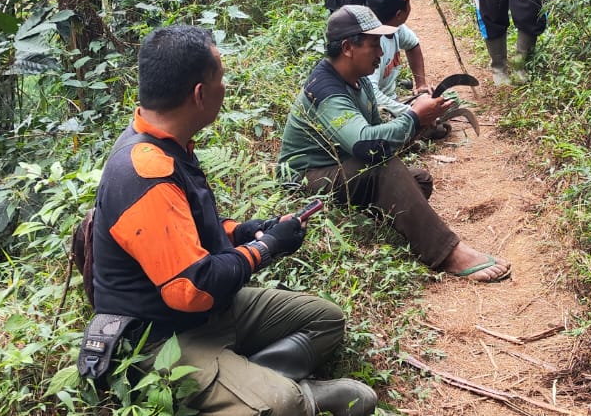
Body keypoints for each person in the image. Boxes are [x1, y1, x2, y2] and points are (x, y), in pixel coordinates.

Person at [87, 25, 377, 416]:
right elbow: (192, 289)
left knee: (326, 321)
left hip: (212, 314)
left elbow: (190, 230)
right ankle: (283, 397)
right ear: (199, 93)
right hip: (162, 336)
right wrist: (266, 247)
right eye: (220, 78)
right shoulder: (145, 170)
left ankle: (244, 383)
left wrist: (245, 231)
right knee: (283, 404)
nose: (225, 87)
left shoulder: (167, 143)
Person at [278, 6, 511, 282]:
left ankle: (376, 220)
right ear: (347, 47)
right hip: (306, 178)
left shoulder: (359, 82)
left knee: (419, 181)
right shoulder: (326, 91)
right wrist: (413, 117)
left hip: (339, 166)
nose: (381, 52)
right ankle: (449, 253)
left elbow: (377, 134)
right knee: (385, 170)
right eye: (374, 44)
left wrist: (421, 123)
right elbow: (368, 146)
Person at [364, 0, 428, 113]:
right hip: (375, 108)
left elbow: (413, 45)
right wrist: (411, 113)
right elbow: (371, 94)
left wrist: (421, 85)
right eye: (408, 2)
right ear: (399, 14)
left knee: (448, 100)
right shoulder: (371, 46)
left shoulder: (396, 27)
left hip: (392, 101)